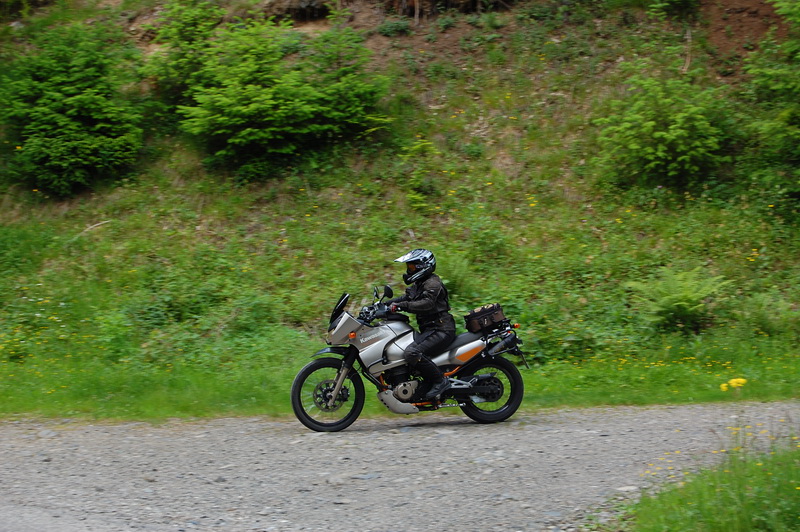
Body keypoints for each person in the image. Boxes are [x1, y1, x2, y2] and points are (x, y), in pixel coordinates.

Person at [388, 249, 456, 400]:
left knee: (411, 352)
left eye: (412, 267)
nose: (409, 270)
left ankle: (440, 381)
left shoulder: (433, 283)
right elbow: (405, 298)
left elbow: (427, 303)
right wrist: (384, 305)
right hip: (430, 329)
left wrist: (402, 306)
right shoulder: (420, 283)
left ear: (423, 266)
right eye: (409, 267)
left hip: (441, 329)